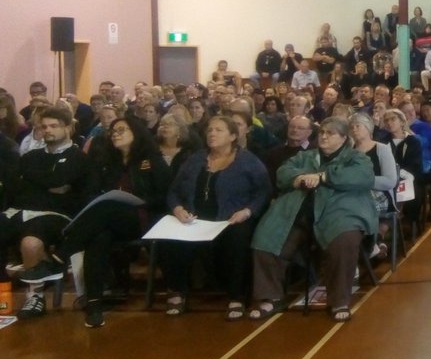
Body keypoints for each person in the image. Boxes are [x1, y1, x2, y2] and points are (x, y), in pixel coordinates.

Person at [249, 117, 377, 323]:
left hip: (340, 212)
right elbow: (283, 172)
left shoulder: (356, 158)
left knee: (343, 242)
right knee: (266, 240)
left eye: (330, 133)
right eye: (322, 132)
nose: (324, 136)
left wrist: (323, 177)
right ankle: (271, 296)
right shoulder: (305, 156)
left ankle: (339, 300)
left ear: (344, 138)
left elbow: (363, 177)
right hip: (300, 212)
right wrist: (299, 178)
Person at [53, 117, 171, 327]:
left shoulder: (152, 159)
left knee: (106, 208)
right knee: (99, 237)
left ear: (136, 132)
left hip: (143, 218)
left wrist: (140, 201)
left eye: (121, 130)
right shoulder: (108, 162)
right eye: (113, 131)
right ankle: (94, 305)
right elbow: (94, 192)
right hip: (109, 219)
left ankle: (62, 253)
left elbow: (164, 196)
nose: (115, 133)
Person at [163, 116, 271, 319]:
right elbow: (173, 191)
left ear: (232, 136)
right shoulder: (195, 159)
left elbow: (264, 192)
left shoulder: (248, 161)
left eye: (219, 130)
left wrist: (247, 211)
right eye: (210, 130)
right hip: (195, 218)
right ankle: (177, 291)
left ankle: (236, 296)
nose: (212, 134)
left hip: (231, 219)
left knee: (238, 239)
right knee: (173, 239)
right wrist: (177, 209)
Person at [1, 106, 90, 318]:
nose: (47, 130)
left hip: (56, 215)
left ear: (68, 127)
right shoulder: (31, 156)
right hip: (20, 210)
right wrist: (49, 183)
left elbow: (62, 182)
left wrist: (32, 179)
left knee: (31, 244)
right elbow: (16, 187)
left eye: (54, 126)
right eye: (44, 126)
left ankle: (35, 296)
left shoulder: (78, 157)